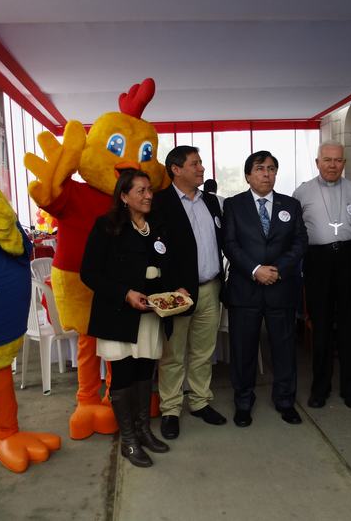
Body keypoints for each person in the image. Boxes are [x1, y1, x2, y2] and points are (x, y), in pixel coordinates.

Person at [80, 170, 179, 468]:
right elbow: (89, 273)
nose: (148, 195)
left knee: (145, 372)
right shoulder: (106, 226)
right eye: (141, 191)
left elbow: (166, 265)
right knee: (123, 376)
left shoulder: (157, 226)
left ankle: (143, 430)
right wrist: (125, 294)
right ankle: (129, 440)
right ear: (124, 196)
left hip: (150, 314)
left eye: (149, 190)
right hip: (118, 314)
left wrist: (175, 290)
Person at [223, 151, 308, 426]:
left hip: (281, 288)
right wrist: (255, 269)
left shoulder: (291, 205)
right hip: (245, 289)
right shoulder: (234, 205)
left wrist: (277, 269)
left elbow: (300, 242)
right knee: (243, 349)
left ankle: (285, 401)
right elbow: (229, 243)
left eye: (271, 168)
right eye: (260, 168)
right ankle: (243, 402)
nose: (266, 174)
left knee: (284, 348)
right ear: (248, 175)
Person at [151, 146, 227, 439]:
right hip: (178, 293)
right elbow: (154, 250)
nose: (201, 168)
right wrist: (170, 286)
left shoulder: (211, 201)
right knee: (172, 354)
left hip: (210, 288)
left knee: (203, 351)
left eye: (201, 163)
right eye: (195, 164)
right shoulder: (160, 203)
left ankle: (200, 401)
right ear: (176, 169)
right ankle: (170, 409)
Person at [293, 140, 351, 409]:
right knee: (321, 326)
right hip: (318, 261)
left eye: (338, 160)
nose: (332, 165)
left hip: (350, 258)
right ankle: (320, 388)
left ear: (344, 163)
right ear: (317, 162)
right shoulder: (302, 192)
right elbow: (296, 230)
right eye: (327, 160)